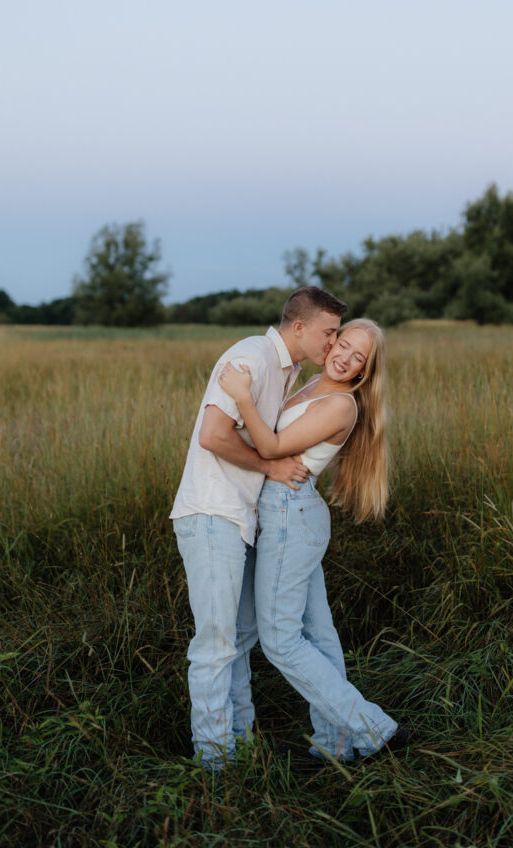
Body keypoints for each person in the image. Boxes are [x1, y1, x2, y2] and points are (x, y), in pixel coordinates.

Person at [170, 286, 347, 769]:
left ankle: (240, 747)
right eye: (328, 334)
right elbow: (212, 435)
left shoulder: (286, 371)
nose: (333, 345)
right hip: (212, 514)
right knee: (215, 645)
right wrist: (269, 468)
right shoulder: (250, 356)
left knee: (240, 640)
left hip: (239, 519)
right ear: (299, 327)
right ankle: (214, 763)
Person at [219, 318, 409, 765]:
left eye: (357, 356)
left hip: (291, 514)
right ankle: (336, 744)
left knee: (281, 640)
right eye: (343, 344)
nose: (344, 356)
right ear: (333, 341)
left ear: (366, 369)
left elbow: (272, 448)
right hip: (288, 515)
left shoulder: (342, 405)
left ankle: (376, 730)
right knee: (318, 636)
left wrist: (242, 396)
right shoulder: (308, 386)